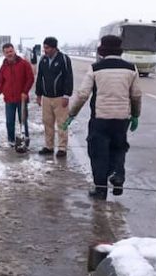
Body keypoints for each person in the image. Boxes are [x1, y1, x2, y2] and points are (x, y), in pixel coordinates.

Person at [63, 35, 142, 199]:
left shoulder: (95, 68)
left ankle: (100, 189)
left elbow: (83, 94)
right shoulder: (131, 68)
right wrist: (135, 115)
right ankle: (118, 175)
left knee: (98, 153)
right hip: (121, 119)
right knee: (118, 148)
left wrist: (71, 114)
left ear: (102, 51)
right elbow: (136, 95)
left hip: (100, 119)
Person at [35, 36, 73, 157]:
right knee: (47, 122)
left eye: (47, 48)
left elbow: (68, 77)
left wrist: (66, 95)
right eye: (44, 47)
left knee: (62, 123)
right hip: (46, 97)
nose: (45, 50)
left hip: (60, 97)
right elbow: (39, 77)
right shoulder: (43, 60)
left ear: (54, 48)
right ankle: (49, 146)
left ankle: (62, 147)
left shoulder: (64, 59)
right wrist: (38, 94)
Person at [0, 42, 34, 147]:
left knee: (23, 121)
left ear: (14, 50)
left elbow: (30, 78)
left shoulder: (24, 64)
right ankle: (11, 141)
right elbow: (1, 82)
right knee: (9, 121)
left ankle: (25, 140)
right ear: (4, 54)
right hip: (9, 99)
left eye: (10, 51)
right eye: (6, 52)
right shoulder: (3, 67)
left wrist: (25, 91)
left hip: (22, 99)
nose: (9, 54)